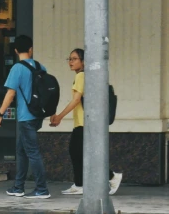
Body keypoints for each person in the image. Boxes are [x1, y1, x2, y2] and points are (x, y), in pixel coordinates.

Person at [49, 48, 123, 195]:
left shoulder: (81, 76)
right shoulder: (84, 76)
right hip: (85, 123)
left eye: (74, 59)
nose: (70, 62)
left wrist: (59, 116)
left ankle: (108, 178)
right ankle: (85, 183)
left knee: (77, 152)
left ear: (83, 62)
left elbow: (76, 100)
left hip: (84, 123)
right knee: (81, 153)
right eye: (69, 59)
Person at [0, 35, 50, 199]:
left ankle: (42, 189)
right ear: (31, 49)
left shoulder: (17, 68)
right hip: (37, 115)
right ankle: (19, 187)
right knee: (22, 151)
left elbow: (10, 93)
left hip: (26, 117)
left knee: (32, 152)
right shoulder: (41, 67)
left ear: (16, 50)